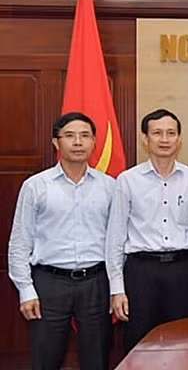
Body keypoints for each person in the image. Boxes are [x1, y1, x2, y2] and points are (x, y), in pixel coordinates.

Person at [8, 112, 115, 370]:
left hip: (96, 282)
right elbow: (20, 243)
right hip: (49, 283)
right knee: (46, 359)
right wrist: (26, 289)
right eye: (69, 136)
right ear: (56, 142)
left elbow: (117, 241)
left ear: (94, 142)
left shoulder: (110, 186)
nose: (78, 142)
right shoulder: (36, 186)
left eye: (85, 136)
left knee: (97, 360)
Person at [106, 109, 188, 352]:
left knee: (183, 343)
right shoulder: (128, 179)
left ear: (179, 139)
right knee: (139, 343)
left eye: (171, 133)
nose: (164, 139)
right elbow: (115, 237)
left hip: (183, 271)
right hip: (141, 272)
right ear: (145, 138)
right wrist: (117, 288)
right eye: (157, 133)